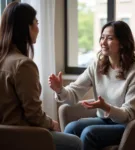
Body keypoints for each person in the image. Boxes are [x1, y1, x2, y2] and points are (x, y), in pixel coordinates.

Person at [49, 20, 135, 150]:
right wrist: (60, 90)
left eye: (110, 38)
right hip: (105, 120)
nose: (103, 42)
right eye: (102, 37)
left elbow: (129, 114)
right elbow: (74, 92)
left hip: (128, 125)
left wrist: (107, 108)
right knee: (71, 128)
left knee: (89, 133)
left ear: (123, 43)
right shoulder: (97, 66)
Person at [0, 2, 82, 150]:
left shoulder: (4, 59)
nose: (38, 28)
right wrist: (51, 123)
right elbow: (34, 115)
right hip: (20, 135)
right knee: (75, 142)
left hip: (4, 135)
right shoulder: (23, 65)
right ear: (26, 27)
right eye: (36, 23)